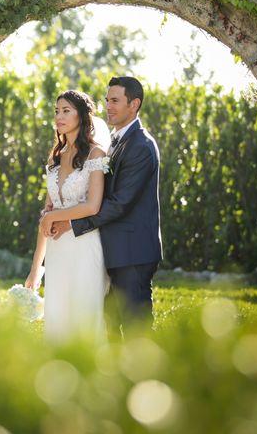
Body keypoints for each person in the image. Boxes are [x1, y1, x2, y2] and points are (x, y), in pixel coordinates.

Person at [47, 76, 163, 340]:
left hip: (132, 252)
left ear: (134, 104)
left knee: (136, 328)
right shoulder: (114, 141)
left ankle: (146, 379)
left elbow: (120, 203)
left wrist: (73, 223)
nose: (108, 106)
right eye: (107, 100)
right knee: (107, 328)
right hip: (108, 248)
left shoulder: (141, 146)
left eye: (115, 101)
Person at [24, 89, 111, 344]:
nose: (59, 117)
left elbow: (93, 205)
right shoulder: (55, 157)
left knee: (84, 317)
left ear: (82, 116)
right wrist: (34, 269)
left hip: (85, 246)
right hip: (57, 251)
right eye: (56, 111)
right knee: (58, 318)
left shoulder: (96, 155)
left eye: (66, 111)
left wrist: (55, 217)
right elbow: (46, 218)